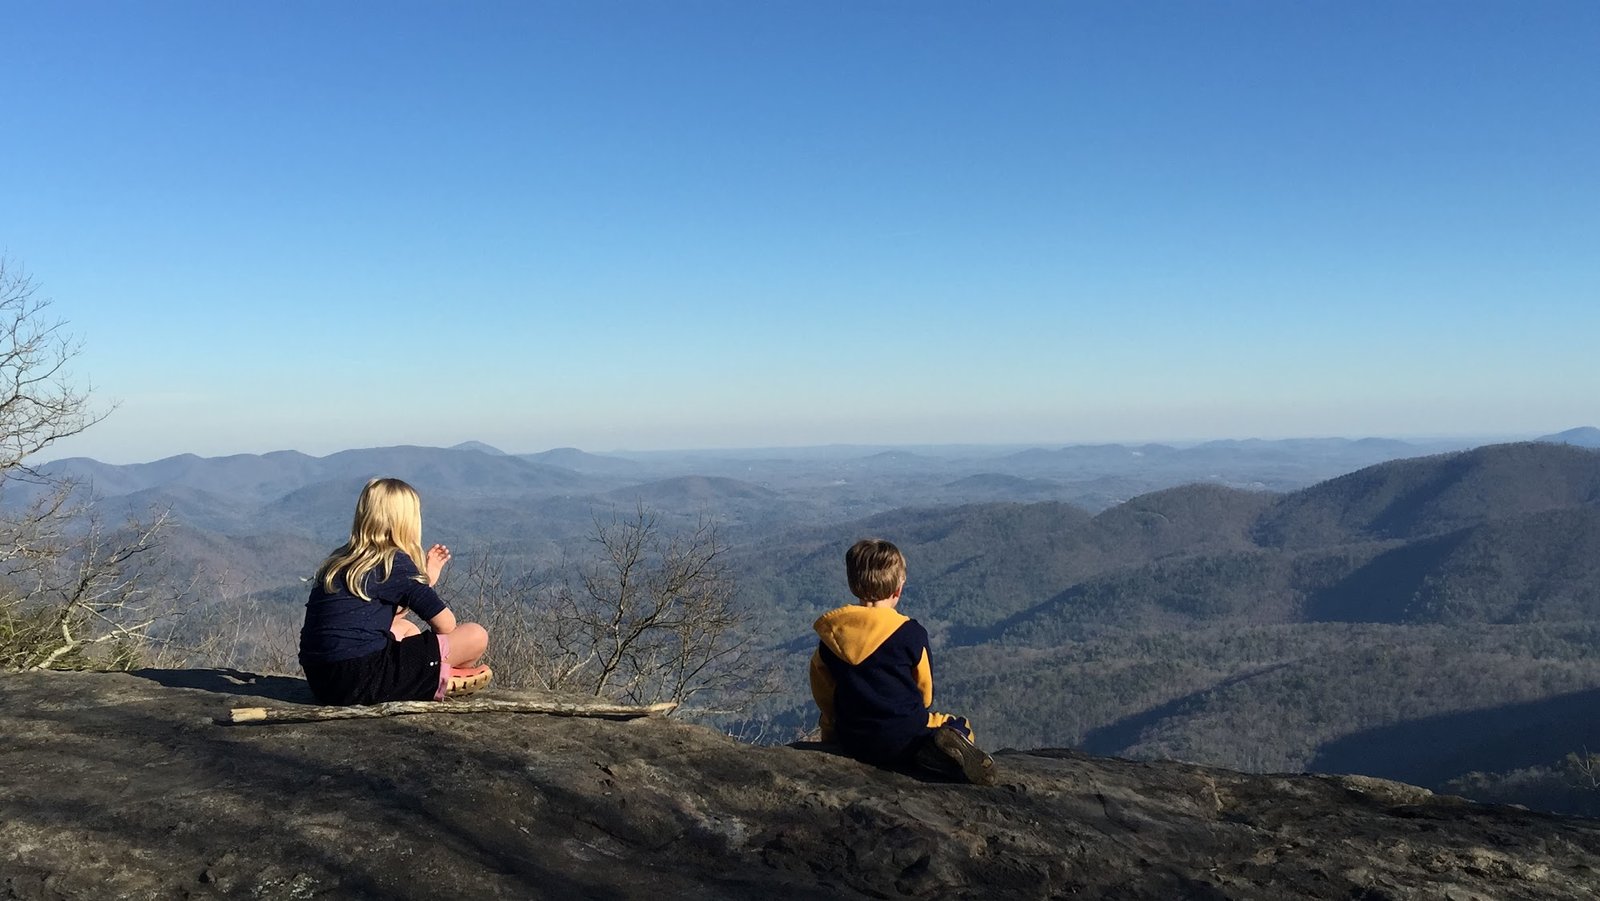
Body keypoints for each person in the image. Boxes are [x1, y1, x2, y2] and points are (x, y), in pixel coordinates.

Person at [808, 538, 996, 784]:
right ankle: (936, 754)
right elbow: (925, 694)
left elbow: (825, 695)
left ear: (853, 585)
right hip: (904, 738)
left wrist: (832, 733)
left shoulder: (832, 639)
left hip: (853, 740)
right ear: (897, 590)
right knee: (956, 724)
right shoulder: (911, 634)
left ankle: (928, 754)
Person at [299, 477, 491, 705]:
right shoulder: (394, 562)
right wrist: (424, 584)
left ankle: (431, 675)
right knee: (475, 635)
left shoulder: (338, 562)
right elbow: (446, 625)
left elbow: (379, 617)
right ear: (408, 521)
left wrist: (424, 584)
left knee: (405, 628)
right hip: (365, 677)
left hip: (323, 681)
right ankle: (439, 678)